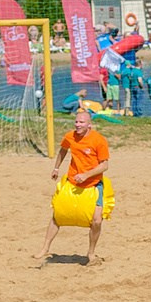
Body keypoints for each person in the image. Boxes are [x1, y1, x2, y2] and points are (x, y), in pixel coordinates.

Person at [41, 105, 112, 264]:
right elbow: (63, 150)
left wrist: (86, 174)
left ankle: (91, 253)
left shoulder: (99, 140)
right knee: (57, 215)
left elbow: (104, 165)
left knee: (97, 221)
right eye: (76, 122)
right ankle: (45, 248)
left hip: (93, 184)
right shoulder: (70, 136)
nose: (78, 125)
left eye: (81, 122)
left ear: (89, 125)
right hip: (72, 182)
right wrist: (56, 168)